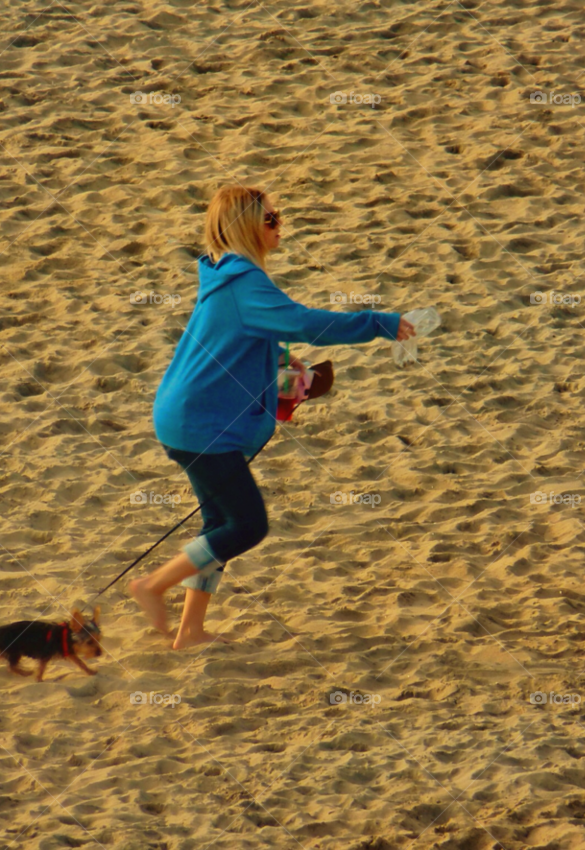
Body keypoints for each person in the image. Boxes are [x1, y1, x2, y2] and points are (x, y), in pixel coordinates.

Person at [129, 186, 416, 649]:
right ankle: (151, 585)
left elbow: (242, 337)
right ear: (246, 226)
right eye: (270, 218)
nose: (279, 225)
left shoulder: (226, 276)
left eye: (279, 215)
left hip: (186, 417)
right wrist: (378, 322)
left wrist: (281, 367)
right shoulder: (243, 281)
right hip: (202, 425)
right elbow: (306, 323)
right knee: (247, 526)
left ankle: (190, 631)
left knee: (217, 525)